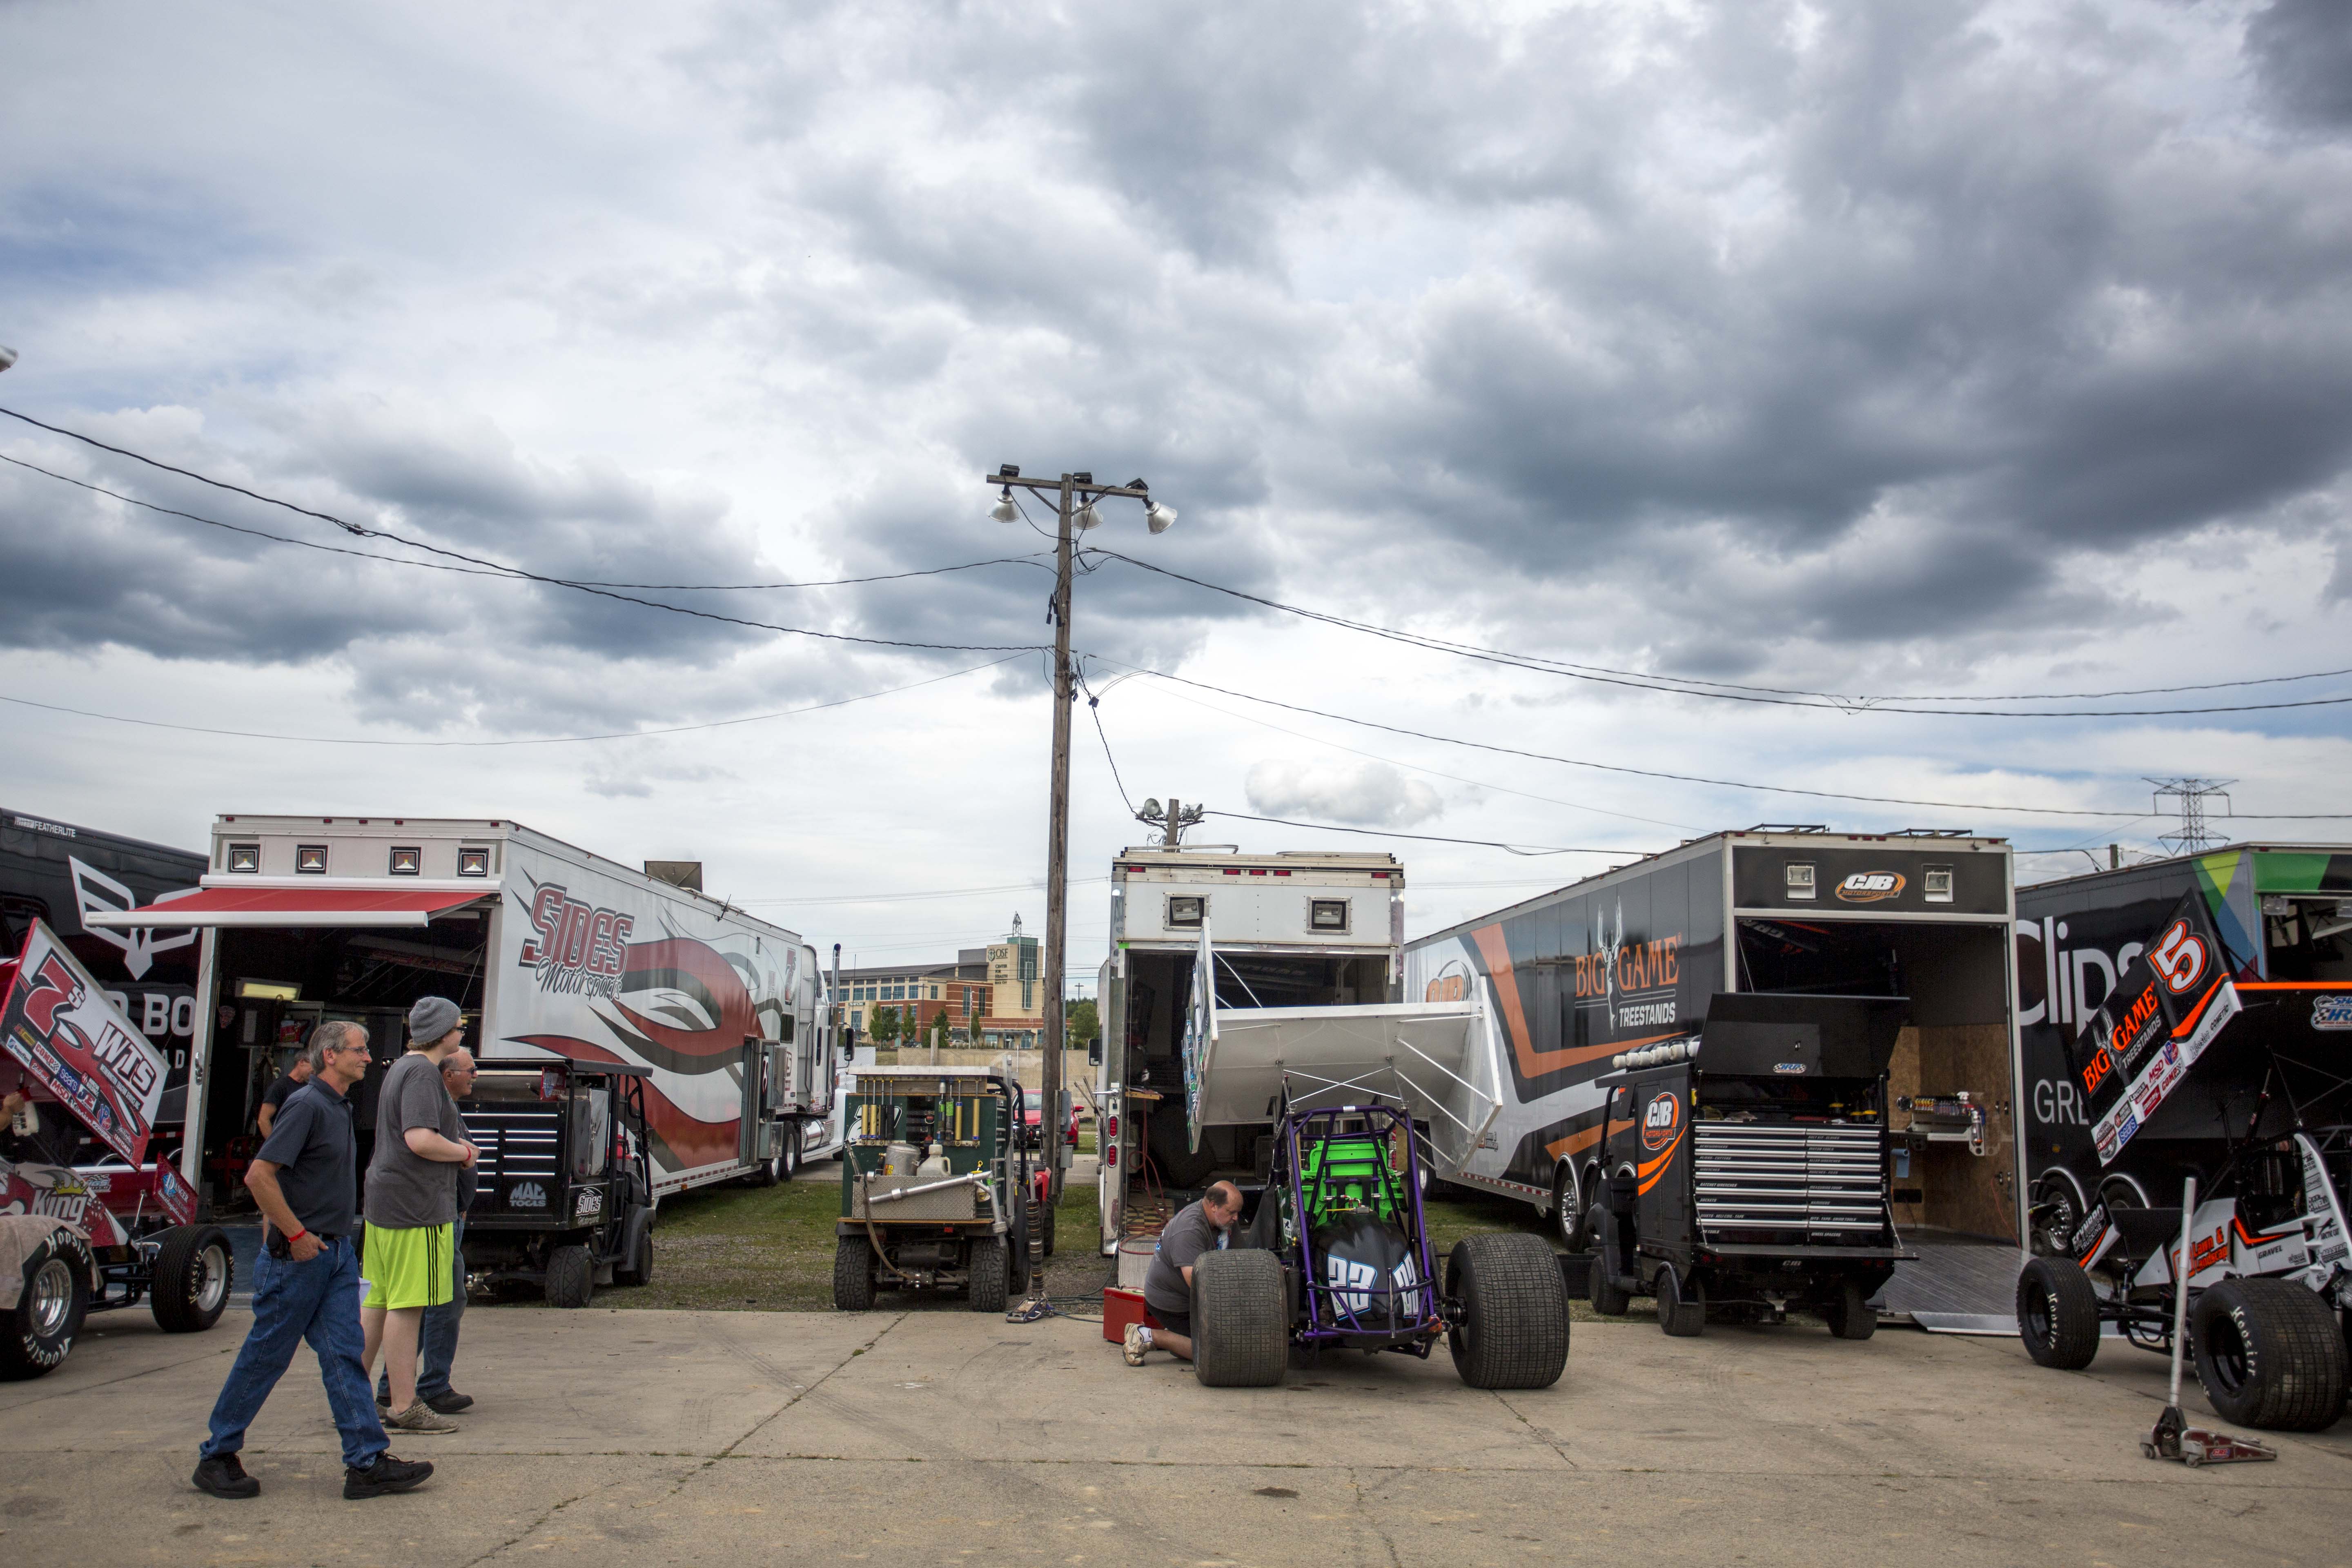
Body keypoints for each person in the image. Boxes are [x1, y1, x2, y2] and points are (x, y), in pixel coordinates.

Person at [191, 1022, 432, 1501]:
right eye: (360, 1050)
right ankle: (217, 1454)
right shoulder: (305, 1105)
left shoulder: (337, 1106)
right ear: (330, 1056)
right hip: (300, 1257)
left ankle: (366, 1462)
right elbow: (260, 1176)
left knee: (346, 1354)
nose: (369, 1058)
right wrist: (297, 1235)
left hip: (335, 1254)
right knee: (266, 1357)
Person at [359, 997, 477, 1436]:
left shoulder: (399, 1069)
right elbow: (420, 1139)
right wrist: (464, 1152)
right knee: (409, 1306)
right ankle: (405, 1403)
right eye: (459, 1027)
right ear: (444, 1033)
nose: (462, 1033)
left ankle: (352, 1397)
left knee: (378, 1302)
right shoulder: (424, 1073)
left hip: (385, 1203)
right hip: (418, 1206)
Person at [1124, 1181, 1244, 1365]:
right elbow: (1198, 1285)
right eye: (1231, 1212)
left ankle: (1181, 1341)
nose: (1236, 1218)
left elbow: (1243, 1258)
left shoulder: (1225, 1220)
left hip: (1193, 1296)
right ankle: (1146, 1335)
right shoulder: (1189, 1230)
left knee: (1240, 1337)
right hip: (1172, 1304)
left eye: (1237, 1212)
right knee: (1219, 1353)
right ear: (1213, 1206)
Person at [255, 1054, 314, 1138]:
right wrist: (275, 1145)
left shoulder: (308, 1089)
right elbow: (263, 1120)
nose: (315, 1071)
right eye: (313, 1065)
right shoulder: (280, 1087)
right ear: (302, 1062)